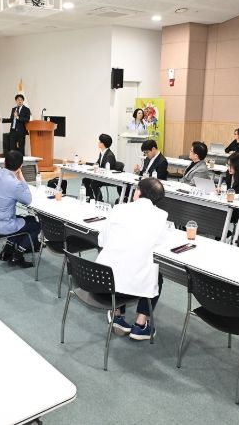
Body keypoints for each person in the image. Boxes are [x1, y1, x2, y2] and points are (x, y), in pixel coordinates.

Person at [96, 178, 168, 340]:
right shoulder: (161, 216)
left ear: (138, 192)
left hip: (103, 281)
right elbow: (160, 245)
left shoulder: (118, 209)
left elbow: (102, 241)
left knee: (117, 263)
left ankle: (116, 315)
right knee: (156, 275)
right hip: (132, 284)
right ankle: (140, 325)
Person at [0, 150, 40, 268]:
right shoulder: (15, 184)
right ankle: (17, 255)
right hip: (1, 225)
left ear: (4, 162)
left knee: (25, 219)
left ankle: (7, 250)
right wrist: (21, 178)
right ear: (20, 166)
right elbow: (27, 199)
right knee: (35, 225)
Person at [82, 134, 117, 201]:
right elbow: (97, 164)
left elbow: (106, 169)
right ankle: (90, 198)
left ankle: (99, 200)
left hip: (108, 178)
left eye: (99, 141)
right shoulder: (102, 153)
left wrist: (96, 169)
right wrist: (85, 163)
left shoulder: (110, 155)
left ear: (103, 144)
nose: (98, 143)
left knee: (94, 183)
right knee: (85, 180)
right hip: (101, 175)